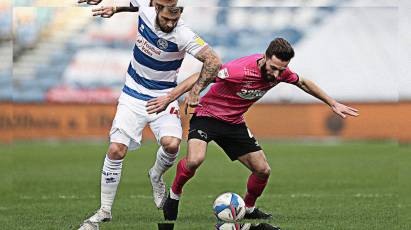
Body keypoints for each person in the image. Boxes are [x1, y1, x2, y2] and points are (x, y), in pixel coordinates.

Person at [146, 37, 359, 221]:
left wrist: (332, 102)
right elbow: (202, 74)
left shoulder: (281, 73)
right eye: (273, 68)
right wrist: (172, 97)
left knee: (263, 169)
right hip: (207, 116)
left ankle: (248, 209)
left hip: (234, 123)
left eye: (281, 70)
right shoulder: (239, 71)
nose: (277, 75)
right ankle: (174, 194)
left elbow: (303, 82)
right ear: (265, 57)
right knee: (194, 160)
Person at [77, 0, 221, 228]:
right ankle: (104, 210)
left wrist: (194, 92)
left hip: (164, 96)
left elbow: (213, 61)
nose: (170, 23)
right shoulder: (145, 9)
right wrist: (113, 8)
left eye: (174, 19)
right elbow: (135, 3)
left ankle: (155, 176)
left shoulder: (182, 34)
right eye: (166, 18)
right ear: (156, 10)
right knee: (116, 149)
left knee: (172, 144)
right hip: (132, 94)